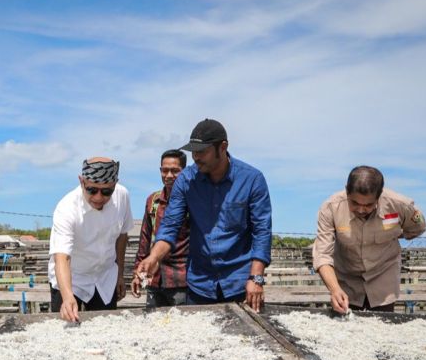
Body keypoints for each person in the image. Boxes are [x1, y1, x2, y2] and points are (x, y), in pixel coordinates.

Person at [136, 119, 272, 311]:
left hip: (240, 282)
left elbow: (262, 232)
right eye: (193, 151)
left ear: (222, 147)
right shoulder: (186, 180)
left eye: (202, 151)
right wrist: (154, 258)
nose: (196, 157)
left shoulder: (252, 179)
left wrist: (256, 278)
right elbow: (170, 226)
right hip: (200, 285)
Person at [313, 165, 426, 314]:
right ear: (347, 191)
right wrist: (335, 290)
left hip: (383, 281)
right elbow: (322, 255)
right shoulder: (330, 208)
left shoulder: (399, 205)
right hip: (347, 282)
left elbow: (418, 227)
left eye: (368, 205)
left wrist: (396, 234)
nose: (361, 209)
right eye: (354, 203)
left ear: (379, 196)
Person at [49, 157, 133, 322]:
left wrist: (120, 275)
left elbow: (122, 236)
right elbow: (62, 257)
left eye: (107, 191)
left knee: (106, 329)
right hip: (72, 279)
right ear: (82, 181)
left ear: (115, 184)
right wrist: (67, 297)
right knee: (65, 331)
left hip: (105, 277)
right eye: (92, 190)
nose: (99, 197)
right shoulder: (66, 208)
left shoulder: (122, 196)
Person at [131, 149, 190, 307]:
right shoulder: (153, 201)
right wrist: (138, 272)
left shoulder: (192, 200)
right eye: (165, 170)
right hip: (154, 279)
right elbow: (144, 240)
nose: (169, 175)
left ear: (184, 171)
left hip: (182, 280)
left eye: (175, 171)